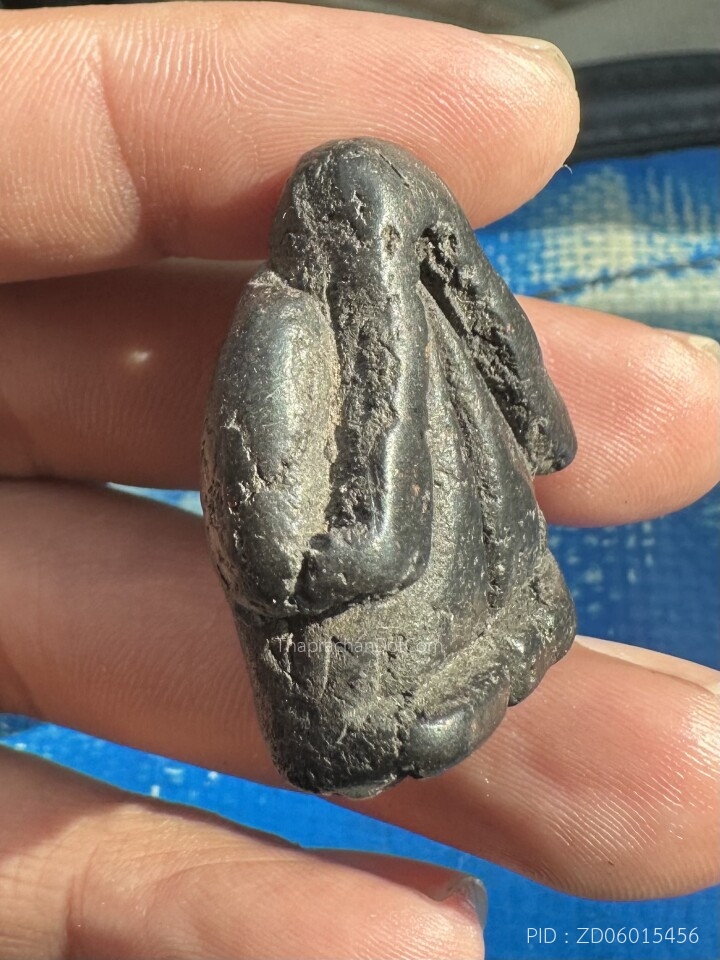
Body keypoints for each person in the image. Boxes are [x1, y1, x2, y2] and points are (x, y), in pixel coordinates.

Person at [0, 3, 718, 957]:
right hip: (353, 611)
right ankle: (413, 706)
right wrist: (378, 540)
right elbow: (274, 557)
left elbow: (491, 335)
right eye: (380, 244)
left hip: (448, 549)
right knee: (369, 725)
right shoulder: (286, 330)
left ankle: (465, 670)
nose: (397, 265)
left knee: (521, 609)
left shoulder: (409, 303)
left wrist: (530, 427)